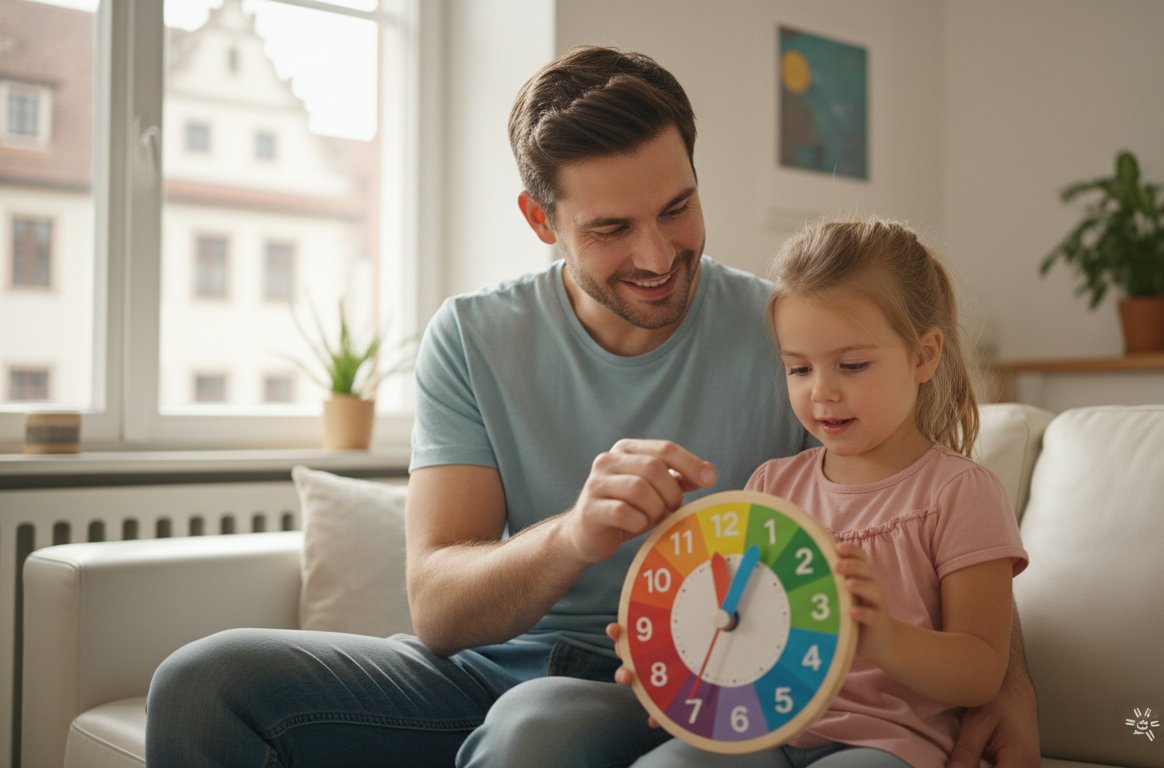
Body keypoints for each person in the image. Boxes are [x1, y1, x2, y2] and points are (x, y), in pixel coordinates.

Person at [145, 47, 1039, 768]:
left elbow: (916, 498)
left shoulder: (790, 339)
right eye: (611, 229)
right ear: (542, 221)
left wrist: (1005, 688)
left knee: (538, 728)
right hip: (481, 667)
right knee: (202, 682)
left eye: (679, 207)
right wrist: (575, 532)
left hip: (658, 687)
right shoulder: (473, 335)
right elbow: (439, 609)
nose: (658, 255)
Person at [619, 218, 1029, 768]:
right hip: (763, 730)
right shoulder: (772, 486)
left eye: (852, 365)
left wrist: (885, 637)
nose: (823, 391)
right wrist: (673, 663)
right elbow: (736, 621)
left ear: (924, 356)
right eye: (799, 368)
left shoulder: (960, 492)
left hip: (887, 745)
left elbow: (981, 670)